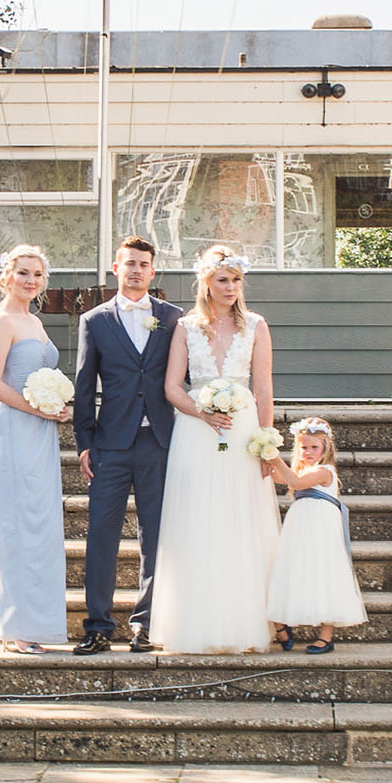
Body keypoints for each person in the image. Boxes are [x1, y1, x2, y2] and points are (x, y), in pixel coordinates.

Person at [151, 244, 279, 653]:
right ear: (206, 283)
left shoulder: (256, 325)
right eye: (223, 280)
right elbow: (172, 387)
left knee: (242, 521)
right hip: (196, 431)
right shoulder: (186, 327)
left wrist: (266, 443)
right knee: (198, 520)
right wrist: (202, 413)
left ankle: (243, 624)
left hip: (242, 432)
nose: (231, 287)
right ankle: (194, 624)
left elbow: (263, 389)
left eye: (236, 280)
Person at [72, 235, 183, 654]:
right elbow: (85, 386)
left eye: (143, 264)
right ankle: (98, 626)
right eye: (129, 264)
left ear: (152, 272)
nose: (136, 270)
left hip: (159, 441)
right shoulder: (94, 321)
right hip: (110, 445)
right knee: (101, 535)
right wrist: (85, 442)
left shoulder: (173, 318)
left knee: (155, 537)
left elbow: (185, 375)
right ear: (115, 269)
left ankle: (145, 625)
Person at [0, 244, 69, 654]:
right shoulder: (2, 321)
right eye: (23, 273)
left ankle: (38, 621)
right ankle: (15, 626)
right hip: (14, 428)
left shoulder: (33, 320)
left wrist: (55, 406)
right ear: (7, 277)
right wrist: (38, 406)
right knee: (17, 524)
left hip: (41, 430)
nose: (30, 281)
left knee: (40, 524)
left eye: (37, 274)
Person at [265, 417, 366, 655]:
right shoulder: (303, 469)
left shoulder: (324, 471)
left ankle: (326, 635)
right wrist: (263, 462)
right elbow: (281, 477)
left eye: (314, 447)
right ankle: (282, 623)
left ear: (325, 449)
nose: (308, 452)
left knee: (324, 572)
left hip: (320, 527)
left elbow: (294, 481)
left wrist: (274, 457)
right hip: (301, 525)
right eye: (304, 447)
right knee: (294, 568)